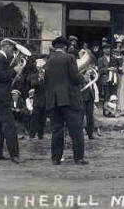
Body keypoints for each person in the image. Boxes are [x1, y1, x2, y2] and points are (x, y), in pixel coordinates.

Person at [44, 36, 88, 165]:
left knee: (57, 130)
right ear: (65, 47)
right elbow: (74, 77)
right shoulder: (70, 58)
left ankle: (56, 158)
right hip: (69, 100)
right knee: (76, 130)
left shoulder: (49, 60)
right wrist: (83, 77)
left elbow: (46, 81)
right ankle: (79, 158)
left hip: (54, 100)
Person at [0, 38, 24, 164]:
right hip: (1, 98)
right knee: (9, 126)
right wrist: (14, 70)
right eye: (12, 49)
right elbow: (0, 76)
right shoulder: (0, 59)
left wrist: (13, 75)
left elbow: (1, 77)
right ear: (6, 47)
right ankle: (14, 155)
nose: (13, 52)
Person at [28, 58, 47, 139]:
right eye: (39, 67)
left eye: (42, 66)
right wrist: (39, 79)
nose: (40, 68)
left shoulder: (47, 75)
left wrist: (44, 78)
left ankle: (40, 134)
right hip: (38, 99)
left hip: (45, 99)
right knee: (35, 118)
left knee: (43, 118)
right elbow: (33, 84)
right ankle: (32, 134)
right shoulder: (34, 75)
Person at [81, 67, 96, 140]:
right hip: (83, 98)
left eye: (88, 74)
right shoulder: (81, 79)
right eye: (86, 74)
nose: (88, 75)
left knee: (90, 116)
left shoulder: (91, 78)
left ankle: (90, 133)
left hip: (90, 98)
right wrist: (84, 80)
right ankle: (82, 132)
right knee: (82, 116)